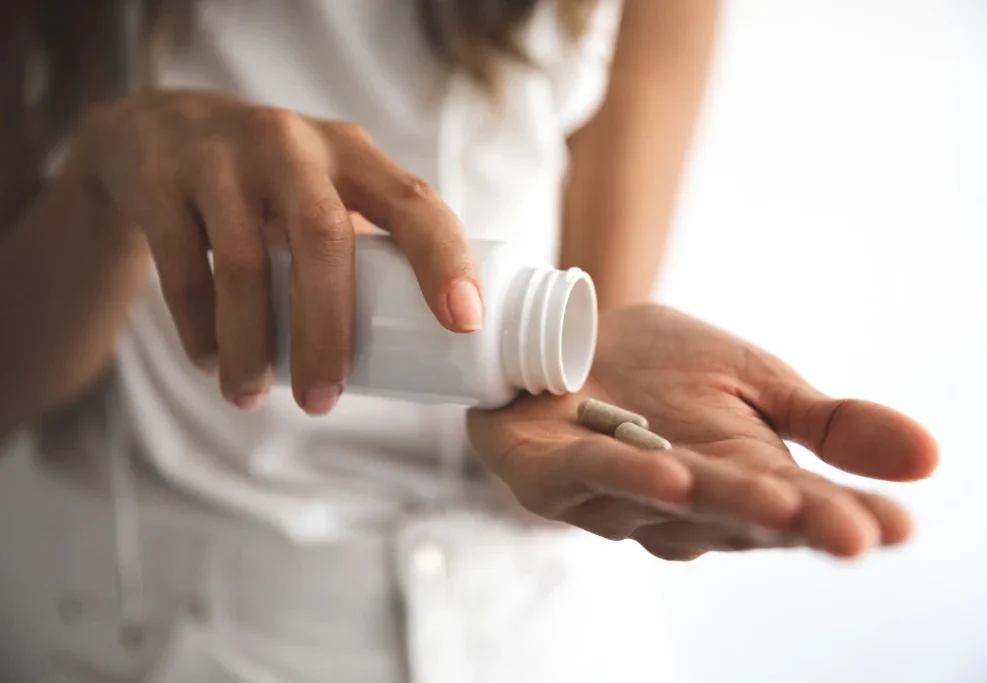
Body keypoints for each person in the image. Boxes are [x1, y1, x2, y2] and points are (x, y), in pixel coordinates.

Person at [0, 1, 939, 681]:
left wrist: (587, 426)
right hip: (150, 630)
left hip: (539, 634)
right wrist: (101, 184)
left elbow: (578, 346)